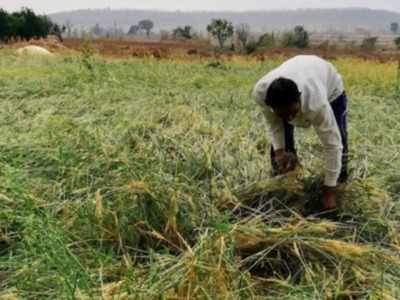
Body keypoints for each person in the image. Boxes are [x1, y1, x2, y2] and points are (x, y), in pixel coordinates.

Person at [252, 55, 348, 211]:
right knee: (282, 152)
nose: (289, 119)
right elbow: (274, 124)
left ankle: (338, 183)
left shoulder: (316, 104)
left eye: (292, 113)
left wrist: (328, 190)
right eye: (282, 115)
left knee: (340, 139)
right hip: (296, 75)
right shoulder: (261, 94)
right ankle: (284, 187)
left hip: (331, 89)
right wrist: (280, 151)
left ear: (299, 99)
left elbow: (332, 145)